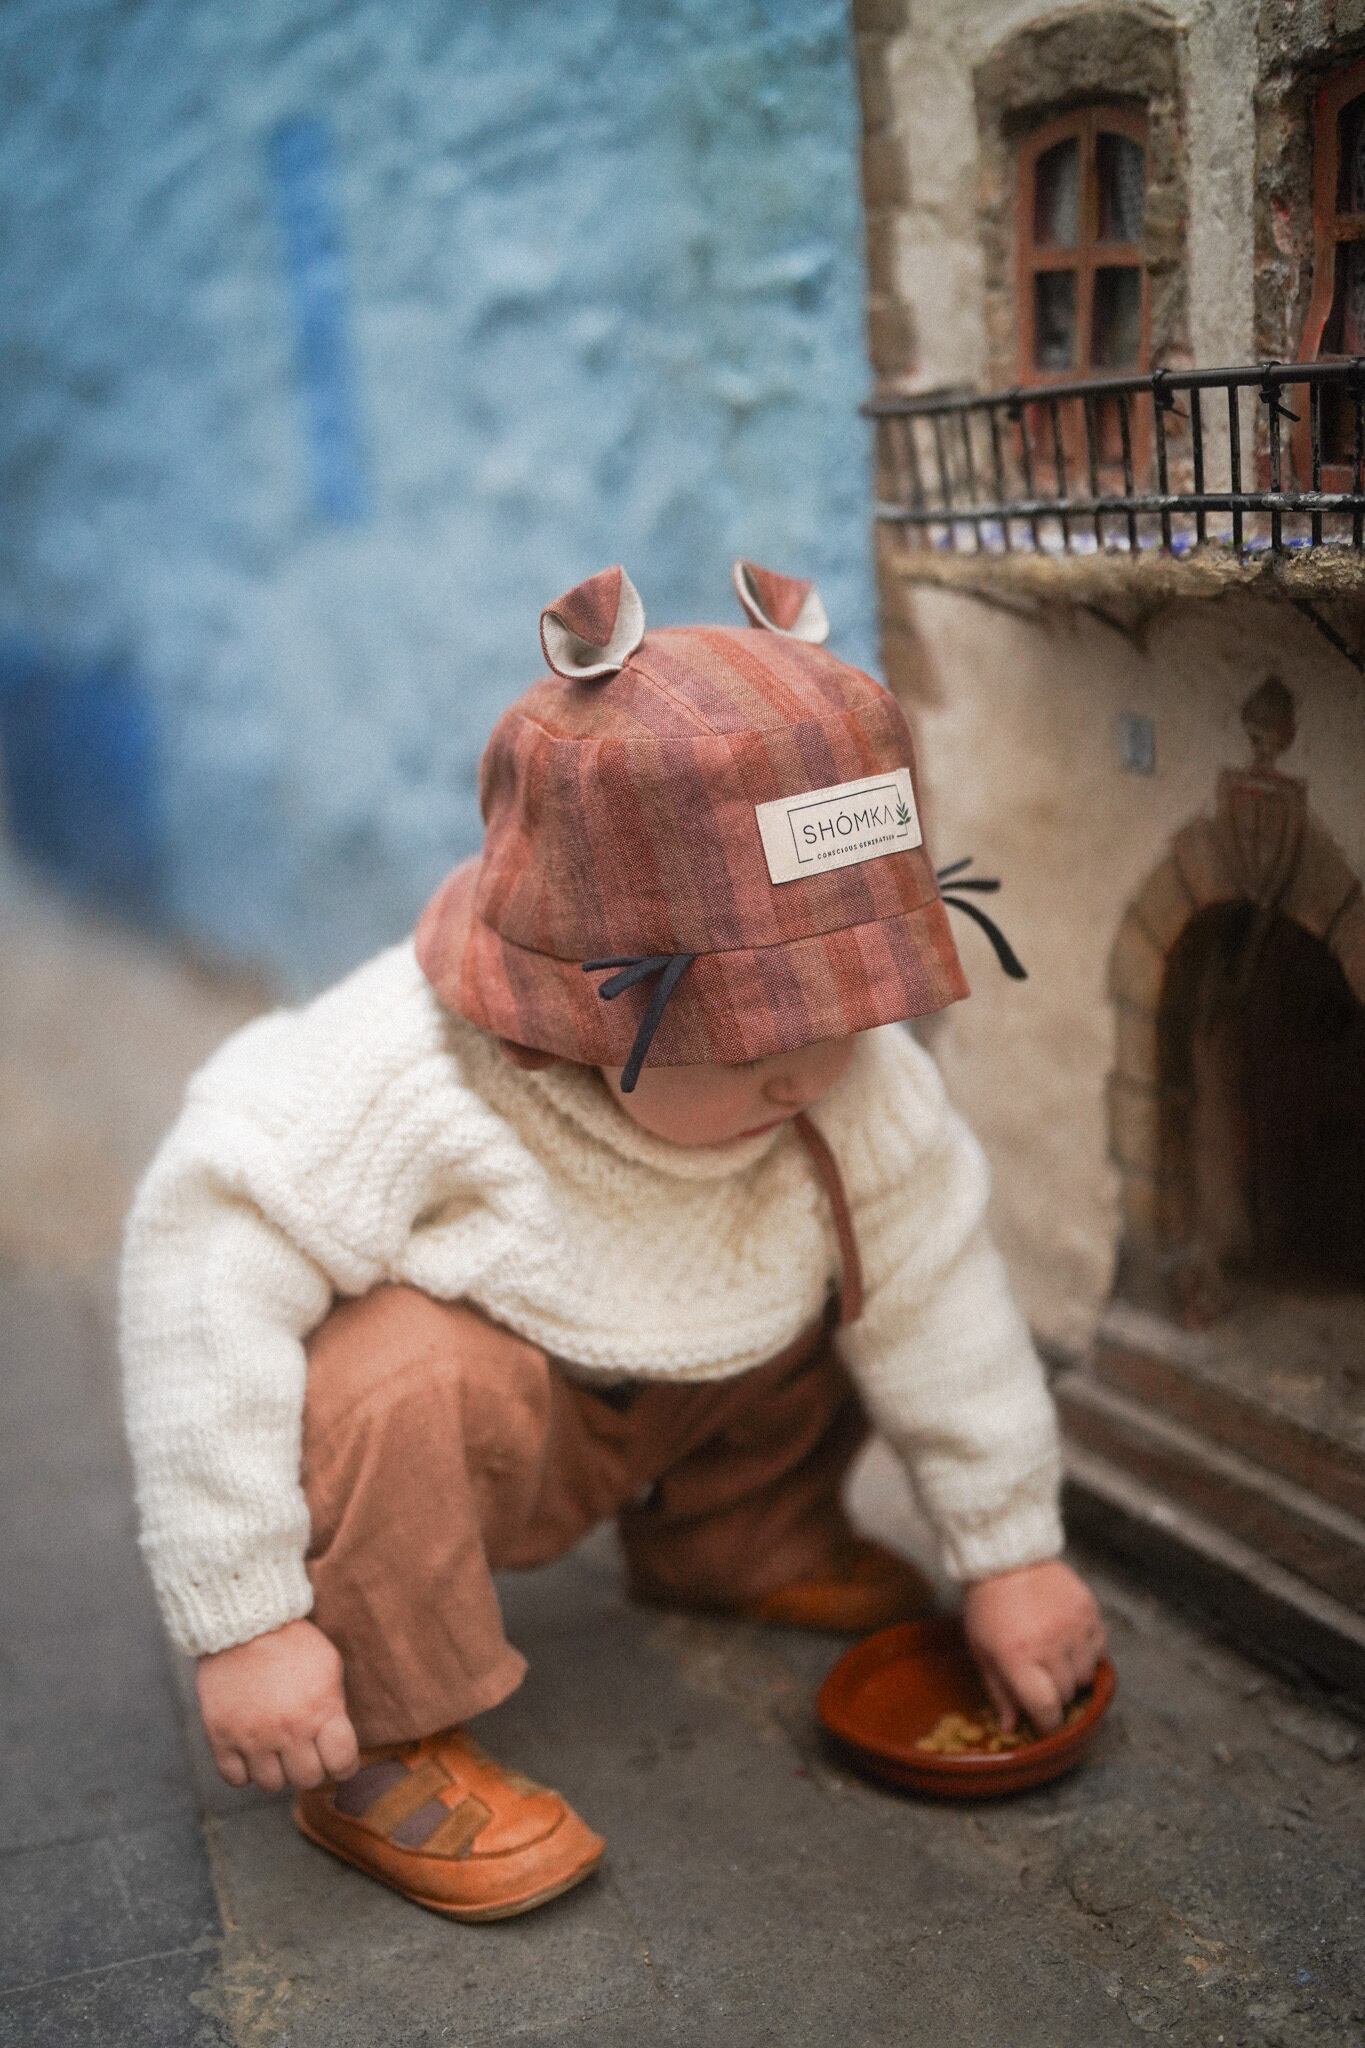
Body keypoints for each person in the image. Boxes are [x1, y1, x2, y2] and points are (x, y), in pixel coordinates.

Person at [120, 560, 1106, 1922]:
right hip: (501, 1444)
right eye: (745, 1037)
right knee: (391, 1377)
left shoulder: (848, 1083)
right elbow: (200, 1271)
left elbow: (943, 1294)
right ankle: (380, 1741)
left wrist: (1013, 1553)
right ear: (578, 1008)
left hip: (701, 1391)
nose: (806, 1066)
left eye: (845, 1008)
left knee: (879, 1256)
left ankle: (737, 1538)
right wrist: (245, 1622)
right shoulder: (409, 1070)